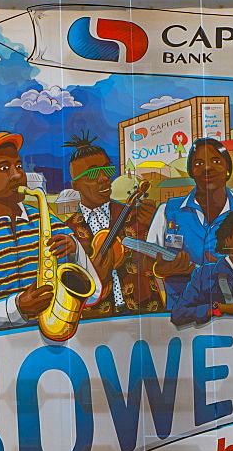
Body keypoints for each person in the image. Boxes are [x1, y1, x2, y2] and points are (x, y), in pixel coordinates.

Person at [0, 132, 99, 332]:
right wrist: (16, 308)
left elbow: (94, 292)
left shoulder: (47, 220)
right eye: (4, 168)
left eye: (19, 166)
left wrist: (74, 252)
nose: (17, 175)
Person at [145, 137, 233, 308]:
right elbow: (147, 263)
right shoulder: (168, 211)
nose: (206, 167)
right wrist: (164, 270)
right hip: (182, 313)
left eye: (216, 161)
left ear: (228, 169)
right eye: (198, 163)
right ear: (190, 171)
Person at [63, 131, 162, 317]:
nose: (104, 178)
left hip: (146, 310)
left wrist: (153, 227)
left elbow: (158, 259)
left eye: (107, 170)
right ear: (75, 185)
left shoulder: (137, 215)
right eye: (92, 174)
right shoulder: (68, 229)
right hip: (95, 318)